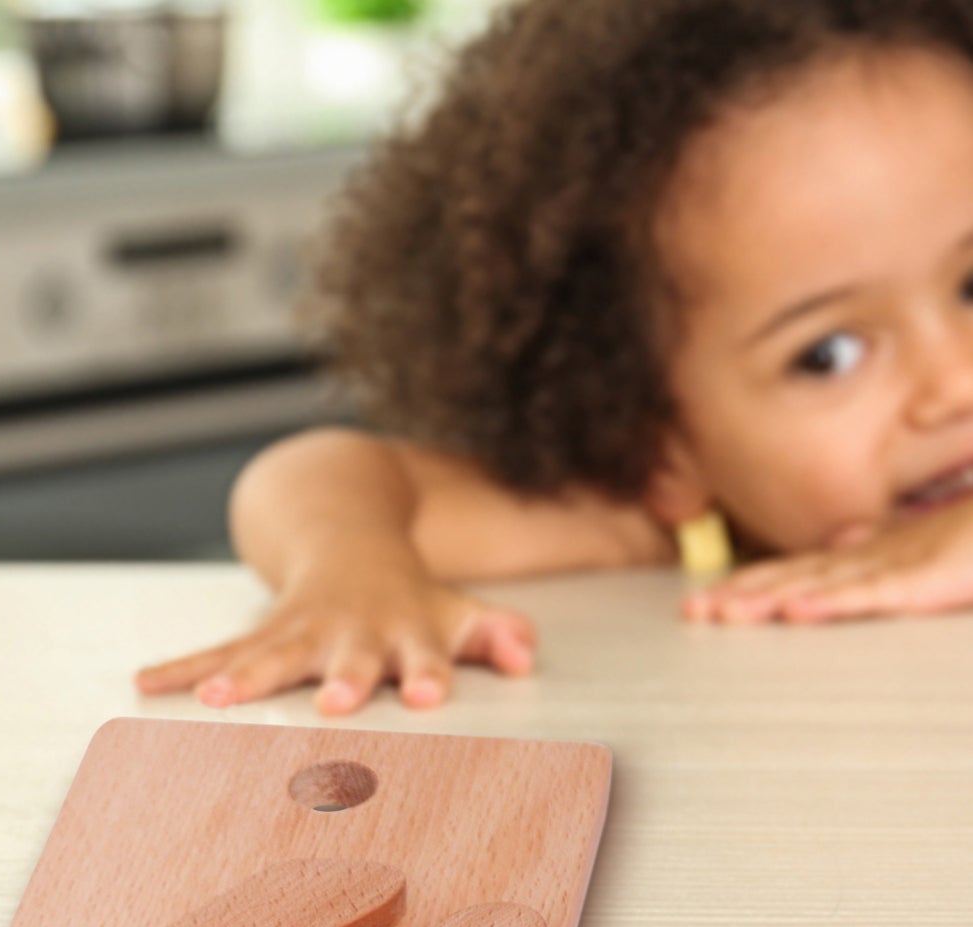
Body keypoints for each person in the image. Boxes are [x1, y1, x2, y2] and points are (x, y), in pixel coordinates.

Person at [135, 0, 973, 716]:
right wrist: (351, 578)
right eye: (825, 354)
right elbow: (319, 474)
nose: (956, 382)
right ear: (665, 448)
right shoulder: (669, 528)